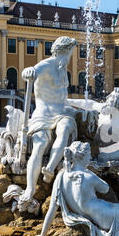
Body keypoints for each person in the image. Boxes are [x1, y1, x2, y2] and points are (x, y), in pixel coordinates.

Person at [18, 36, 79, 205]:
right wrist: (27, 72)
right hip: (43, 115)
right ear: (64, 51)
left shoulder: (62, 70)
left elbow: (63, 99)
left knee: (65, 128)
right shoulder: (46, 65)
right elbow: (30, 71)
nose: (70, 58)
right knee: (40, 144)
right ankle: (30, 189)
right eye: (70, 53)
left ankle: (50, 168)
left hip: (61, 113)